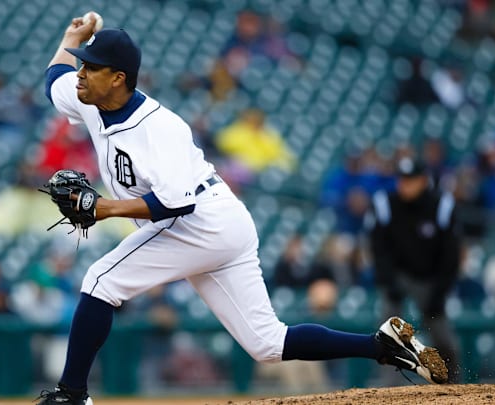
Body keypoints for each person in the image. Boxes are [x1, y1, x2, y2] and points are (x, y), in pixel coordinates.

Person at [36, 16, 448, 405]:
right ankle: (382, 346)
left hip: (201, 220)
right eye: (83, 65)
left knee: (101, 280)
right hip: (213, 226)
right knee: (268, 343)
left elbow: (175, 203)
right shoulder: (87, 96)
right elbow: (53, 78)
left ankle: (72, 393)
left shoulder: (161, 128)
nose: (81, 73)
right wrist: (72, 39)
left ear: (118, 78)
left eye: (90, 67)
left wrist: (104, 208)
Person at [366, 157, 462, 383]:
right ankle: (388, 389)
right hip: (397, 274)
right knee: (388, 333)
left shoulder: (440, 204)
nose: (405, 185)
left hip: (430, 277)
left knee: (442, 335)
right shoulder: (385, 203)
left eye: (410, 180)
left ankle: (455, 386)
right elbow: (378, 248)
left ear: (422, 181)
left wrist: (440, 292)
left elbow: (451, 254)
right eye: (402, 179)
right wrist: (389, 282)